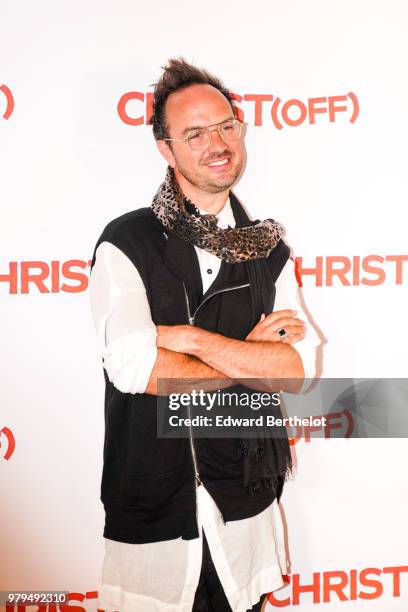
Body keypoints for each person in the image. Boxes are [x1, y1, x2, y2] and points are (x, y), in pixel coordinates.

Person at [89, 58, 320, 612]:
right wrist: (252, 358)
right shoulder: (126, 243)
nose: (216, 143)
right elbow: (136, 369)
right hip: (156, 519)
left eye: (225, 126)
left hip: (246, 508)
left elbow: (299, 370)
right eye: (194, 133)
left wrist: (189, 342)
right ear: (166, 150)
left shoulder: (270, 250)